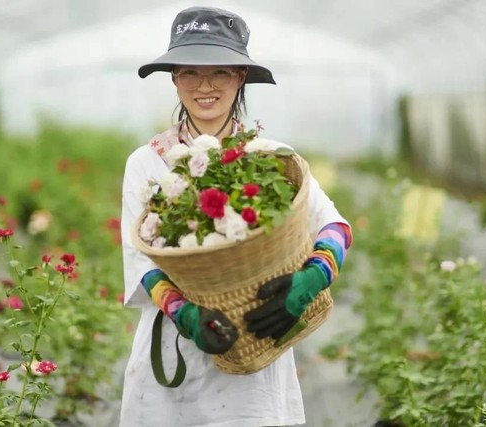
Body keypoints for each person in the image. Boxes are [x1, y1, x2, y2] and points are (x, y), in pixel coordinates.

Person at [119, 6, 352, 427]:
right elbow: (140, 261)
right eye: (189, 72)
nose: (204, 86)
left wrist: (310, 281)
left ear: (240, 76)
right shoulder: (147, 164)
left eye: (219, 72)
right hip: (176, 361)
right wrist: (186, 314)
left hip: (257, 347)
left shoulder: (270, 160)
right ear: (173, 78)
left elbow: (335, 227)